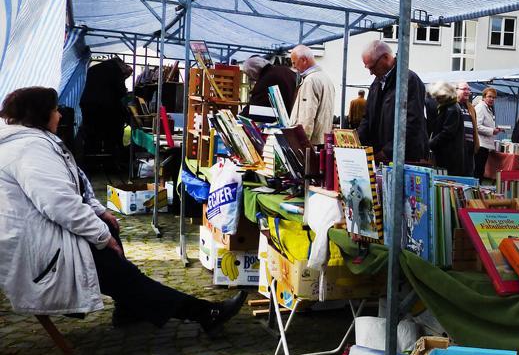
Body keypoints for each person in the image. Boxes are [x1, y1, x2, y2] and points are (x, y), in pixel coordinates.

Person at [0, 87, 246, 332]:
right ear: (40, 114)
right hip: (40, 246)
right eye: (55, 110)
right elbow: (59, 202)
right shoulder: (30, 148)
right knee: (118, 269)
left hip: (47, 234)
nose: (60, 115)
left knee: (111, 238)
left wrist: (99, 213)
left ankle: (129, 307)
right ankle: (203, 313)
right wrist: (100, 235)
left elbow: (75, 186)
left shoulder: (32, 142)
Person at [356, 40, 429, 163]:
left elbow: (413, 123)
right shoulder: (376, 83)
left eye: (372, 67)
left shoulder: (408, 80)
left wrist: (388, 151)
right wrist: (357, 141)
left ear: (385, 57)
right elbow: (367, 118)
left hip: (405, 157)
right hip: (383, 155)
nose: (371, 72)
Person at [79, 56, 131, 168]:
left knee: (91, 134)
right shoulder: (117, 70)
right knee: (112, 133)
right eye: (126, 76)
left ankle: (91, 163)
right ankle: (110, 162)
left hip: (88, 104)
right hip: (105, 107)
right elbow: (121, 92)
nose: (125, 77)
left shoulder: (94, 69)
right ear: (123, 67)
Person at [288, 45, 336, 144]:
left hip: (311, 142)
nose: (294, 66)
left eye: (294, 62)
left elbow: (307, 117)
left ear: (304, 60)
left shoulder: (310, 81)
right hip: (322, 139)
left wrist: (301, 143)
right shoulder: (326, 78)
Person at [427, 82, 464, 175]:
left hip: (449, 155)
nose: (436, 99)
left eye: (438, 97)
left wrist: (430, 143)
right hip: (448, 153)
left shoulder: (452, 109)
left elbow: (447, 132)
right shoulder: (449, 107)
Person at [473, 87, 503, 179]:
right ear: (484, 97)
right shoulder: (481, 107)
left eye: (493, 97)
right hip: (480, 144)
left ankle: (478, 186)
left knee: (480, 170)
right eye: (489, 96)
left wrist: (494, 129)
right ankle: (476, 186)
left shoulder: (488, 108)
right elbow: (477, 126)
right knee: (478, 170)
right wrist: (492, 131)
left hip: (485, 145)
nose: (491, 99)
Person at [456, 81, 479, 177]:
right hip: (458, 146)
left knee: (469, 173)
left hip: (470, 146)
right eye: (464, 89)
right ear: (456, 90)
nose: (467, 91)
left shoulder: (470, 107)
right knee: (458, 173)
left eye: (468, 89)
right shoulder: (453, 105)